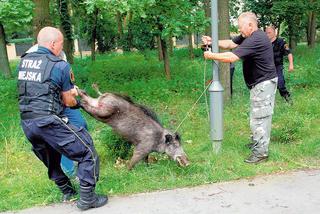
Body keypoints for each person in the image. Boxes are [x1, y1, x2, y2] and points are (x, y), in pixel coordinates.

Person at [17, 26, 107, 210]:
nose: (61, 48)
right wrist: (80, 102)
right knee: (87, 151)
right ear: (52, 44)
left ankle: (67, 191)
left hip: (27, 122)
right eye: (60, 44)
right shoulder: (60, 64)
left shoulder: (24, 61)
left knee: (50, 157)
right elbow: (68, 101)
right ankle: (88, 199)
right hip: (48, 120)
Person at [202, 12, 278, 164]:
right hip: (259, 84)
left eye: (240, 27)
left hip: (263, 84)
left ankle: (260, 153)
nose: (239, 30)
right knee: (257, 117)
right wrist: (213, 41)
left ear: (250, 25)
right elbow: (230, 43)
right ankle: (257, 142)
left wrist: (211, 56)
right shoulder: (248, 36)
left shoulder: (257, 38)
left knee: (259, 119)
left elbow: (232, 57)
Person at [26, 44, 88, 177]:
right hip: (46, 107)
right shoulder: (32, 57)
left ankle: (82, 160)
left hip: (63, 101)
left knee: (81, 125)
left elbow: (62, 80)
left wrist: (70, 89)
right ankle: (69, 170)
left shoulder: (60, 54)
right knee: (60, 138)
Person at [265, 26, 294, 103]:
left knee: (280, 84)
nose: (267, 34)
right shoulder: (264, 43)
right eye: (266, 32)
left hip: (278, 66)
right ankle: (268, 103)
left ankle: (288, 100)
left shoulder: (281, 41)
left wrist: (291, 64)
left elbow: (289, 53)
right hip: (267, 68)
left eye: (269, 32)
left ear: (275, 33)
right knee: (267, 86)